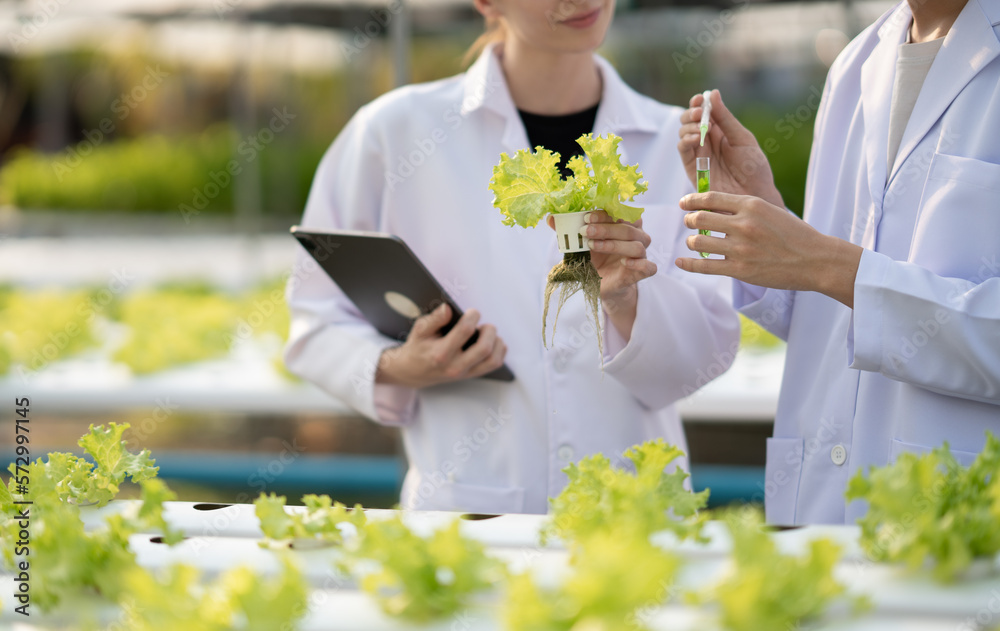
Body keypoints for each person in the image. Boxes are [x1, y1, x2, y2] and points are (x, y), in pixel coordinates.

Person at [284, 0, 739, 514]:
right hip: (471, 513)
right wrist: (398, 365)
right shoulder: (393, 135)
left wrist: (628, 301)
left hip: (633, 522)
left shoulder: (675, 144)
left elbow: (708, 353)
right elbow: (315, 321)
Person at [675, 0, 1000, 524]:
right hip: (820, 506)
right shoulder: (855, 64)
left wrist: (827, 263)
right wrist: (767, 217)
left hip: (958, 524)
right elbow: (839, 323)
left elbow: (847, 274)